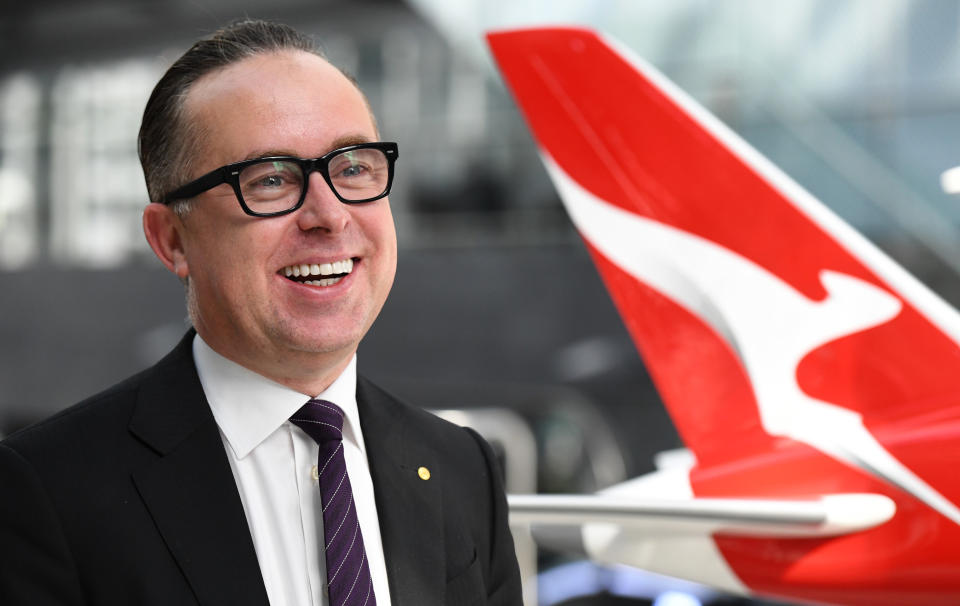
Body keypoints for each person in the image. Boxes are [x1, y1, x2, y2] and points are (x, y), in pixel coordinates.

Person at [0, 19, 522, 606]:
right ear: (172, 239)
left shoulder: (461, 467)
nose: (329, 214)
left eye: (352, 168)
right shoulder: (46, 491)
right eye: (271, 180)